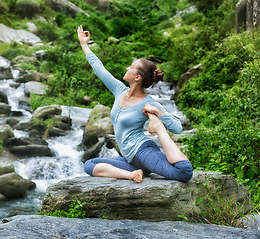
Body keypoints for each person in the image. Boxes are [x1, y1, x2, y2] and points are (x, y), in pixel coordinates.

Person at [77, 25, 193, 183]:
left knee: (184, 172)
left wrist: (158, 114)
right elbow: (99, 68)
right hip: (130, 160)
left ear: (137, 77)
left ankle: (156, 130)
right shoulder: (119, 90)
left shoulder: (148, 102)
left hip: (143, 151)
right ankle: (132, 175)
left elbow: (178, 128)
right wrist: (84, 45)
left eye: (131, 67)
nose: (127, 68)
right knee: (90, 164)